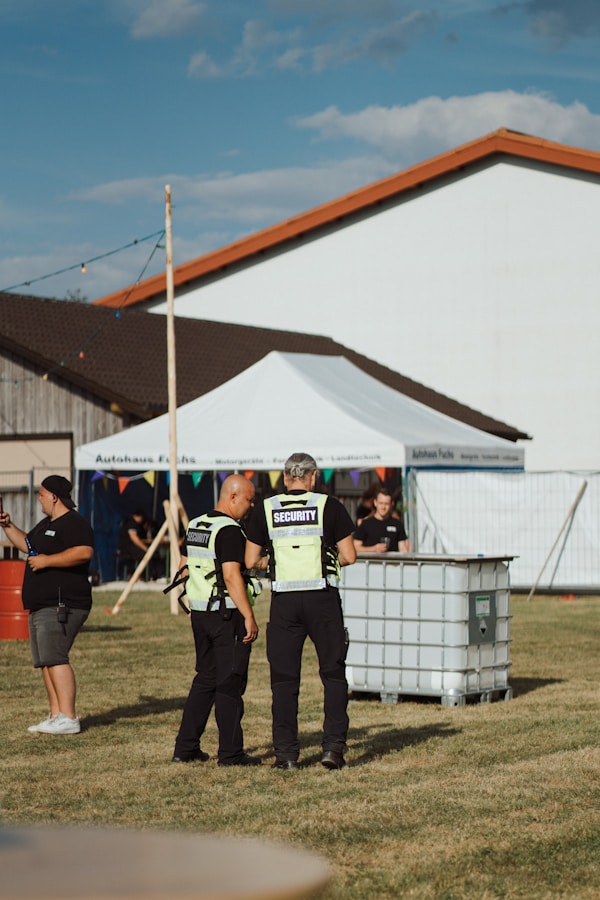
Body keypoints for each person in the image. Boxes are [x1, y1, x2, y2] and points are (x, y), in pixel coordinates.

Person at [245, 452, 356, 771]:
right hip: (322, 599)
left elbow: (251, 560)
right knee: (333, 675)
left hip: (285, 604)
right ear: (313, 476)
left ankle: (287, 755)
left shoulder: (267, 508)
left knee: (283, 680)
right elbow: (349, 555)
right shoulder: (328, 506)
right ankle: (332, 749)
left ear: (284, 477)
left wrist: (276, 563)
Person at [172, 475, 261, 767]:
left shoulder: (196, 524)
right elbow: (232, 575)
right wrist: (249, 615)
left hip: (200, 613)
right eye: (248, 500)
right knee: (229, 683)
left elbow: (183, 569)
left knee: (205, 679)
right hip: (226, 614)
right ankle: (231, 754)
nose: (250, 506)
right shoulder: (230, 530)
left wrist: (190, 603)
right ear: (233, 496)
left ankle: (185, 748)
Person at [0, 475, 94, 735]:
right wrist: (7, 526)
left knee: (56, 657)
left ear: (53, 496)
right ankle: (55, 715)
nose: (39, 498)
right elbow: (28, 547)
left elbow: (84, 552)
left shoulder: (74, 523)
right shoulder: (45, 524)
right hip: (40, 604)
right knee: (45, 661)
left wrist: (47, 561)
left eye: (41, 494)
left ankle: (69, 717)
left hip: (63, 603)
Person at [353, 488, 410, 553]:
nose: (383, 507)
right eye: (381, 503)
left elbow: (403, 548)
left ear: (392, 504)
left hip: (392, 562)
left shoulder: (397, 524)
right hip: (370, 562)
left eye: (386, 504)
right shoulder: (365, 524)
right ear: (375, 502)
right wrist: (374, 549)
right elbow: (356, 547)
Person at [117, 509, 148, 577]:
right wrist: (145, 548)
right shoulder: (131, 523)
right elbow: (134, 538)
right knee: (144, 555)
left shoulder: (130, 522)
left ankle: (135, 575)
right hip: (126, 547)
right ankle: (137, 575)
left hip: (128, 546)